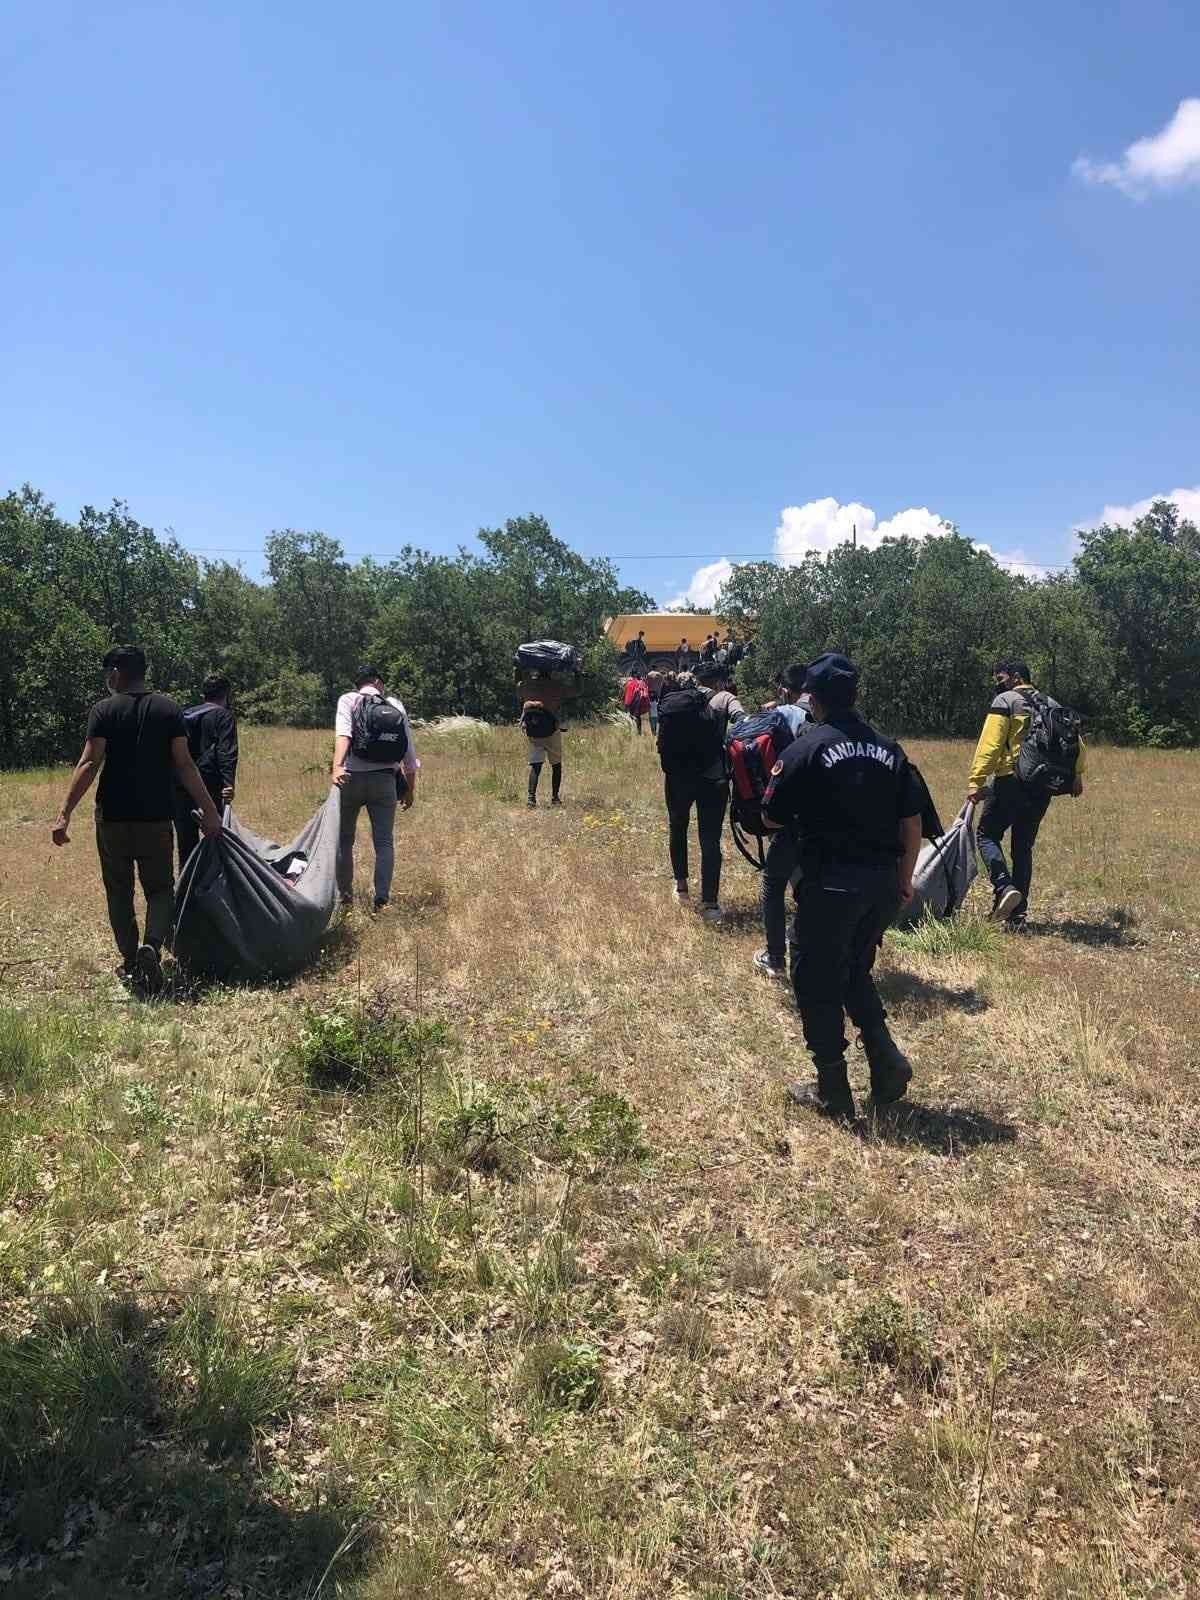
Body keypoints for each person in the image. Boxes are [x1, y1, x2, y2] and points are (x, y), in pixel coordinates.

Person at [762, 652, 922, 1119]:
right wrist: (905, 880)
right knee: (853, 971)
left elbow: (770, 816)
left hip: (829, 887)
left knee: (814, 981)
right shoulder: (890, 749)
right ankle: (887, 1061)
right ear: (854, 696)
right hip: (881, 889)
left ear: (812, 700)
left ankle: (832, 1088)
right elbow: (911, 821)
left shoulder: (806, 750)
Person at [51, 644, 223, 993]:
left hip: (112, 818)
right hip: (157, 818)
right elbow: (185, 764)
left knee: (119, 891)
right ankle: (153, 947)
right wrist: (209, 810)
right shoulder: (169, 708)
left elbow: (88, 763)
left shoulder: (103, 710)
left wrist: (64, 814)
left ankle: (131, 960)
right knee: (160, 888)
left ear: (116, 673)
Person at [967, 659, 1086, 929]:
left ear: (1015, 677)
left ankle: (1003, 886)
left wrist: (976, 780)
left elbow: (991, 743)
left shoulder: (1006, 701)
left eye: (1000, 677)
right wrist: (1077, 775)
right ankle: (1018, 916)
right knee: (1023, 846)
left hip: (1011, 779)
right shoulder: (1051, 703)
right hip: (1042, 785)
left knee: (987, 835)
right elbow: (1076, 741)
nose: (998, 683)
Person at [656, 663, 745, 923]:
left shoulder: (676, 701)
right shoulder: (724, 697)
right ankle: (710, 904)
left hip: (678, 777)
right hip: (712, 776)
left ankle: (681, 888)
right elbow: (742, 722)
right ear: (719, 681)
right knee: (710, 839)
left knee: (678, 827)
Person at [332, 666, 420, 910]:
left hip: (350, 779)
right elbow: (409, 756)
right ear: (379, 682)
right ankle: (381, 898)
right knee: (384, 842)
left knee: (344, 840)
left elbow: (343, 736)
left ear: (358, 683)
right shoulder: (395, 705)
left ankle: (345, 897)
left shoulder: (348, 699)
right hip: (384, 781)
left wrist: (337, 767)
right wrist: (410, 790)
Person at [753, 664, 812, 980]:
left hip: (791, 816)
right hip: (831, 817)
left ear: (784, 689)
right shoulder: (829, 712)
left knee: (773, 883)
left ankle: (776, 958)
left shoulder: (782, 714)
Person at [173, 673, 238, 871]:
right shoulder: (224, 716)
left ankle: (187, 887)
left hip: (181, 784)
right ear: (227, 695)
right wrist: (228, 783)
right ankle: (216, 884)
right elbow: (226, 751)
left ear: (203, 695)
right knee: (216, 835)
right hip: (211, 784)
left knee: (186, 841)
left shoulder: (185, 714)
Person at [519, 668, 576, 807]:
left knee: (536, 765)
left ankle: (531, 798)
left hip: (532, 731)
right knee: (556, 765)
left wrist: (518, 669)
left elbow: (518, 685)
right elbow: (577, 691)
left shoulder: (525, 685)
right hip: (551, 730)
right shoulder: (556, 686)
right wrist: (577, 672)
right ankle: (555, 798)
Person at [646, 669, 664, 736]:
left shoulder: (649, 674)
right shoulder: (659, 674)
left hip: (650, 693)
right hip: (657, 693)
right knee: (656, 714)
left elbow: (646, 683)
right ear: (656, 668)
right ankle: (656, 730)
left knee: (651, 716)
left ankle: (653, 731)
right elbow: (661, 682)